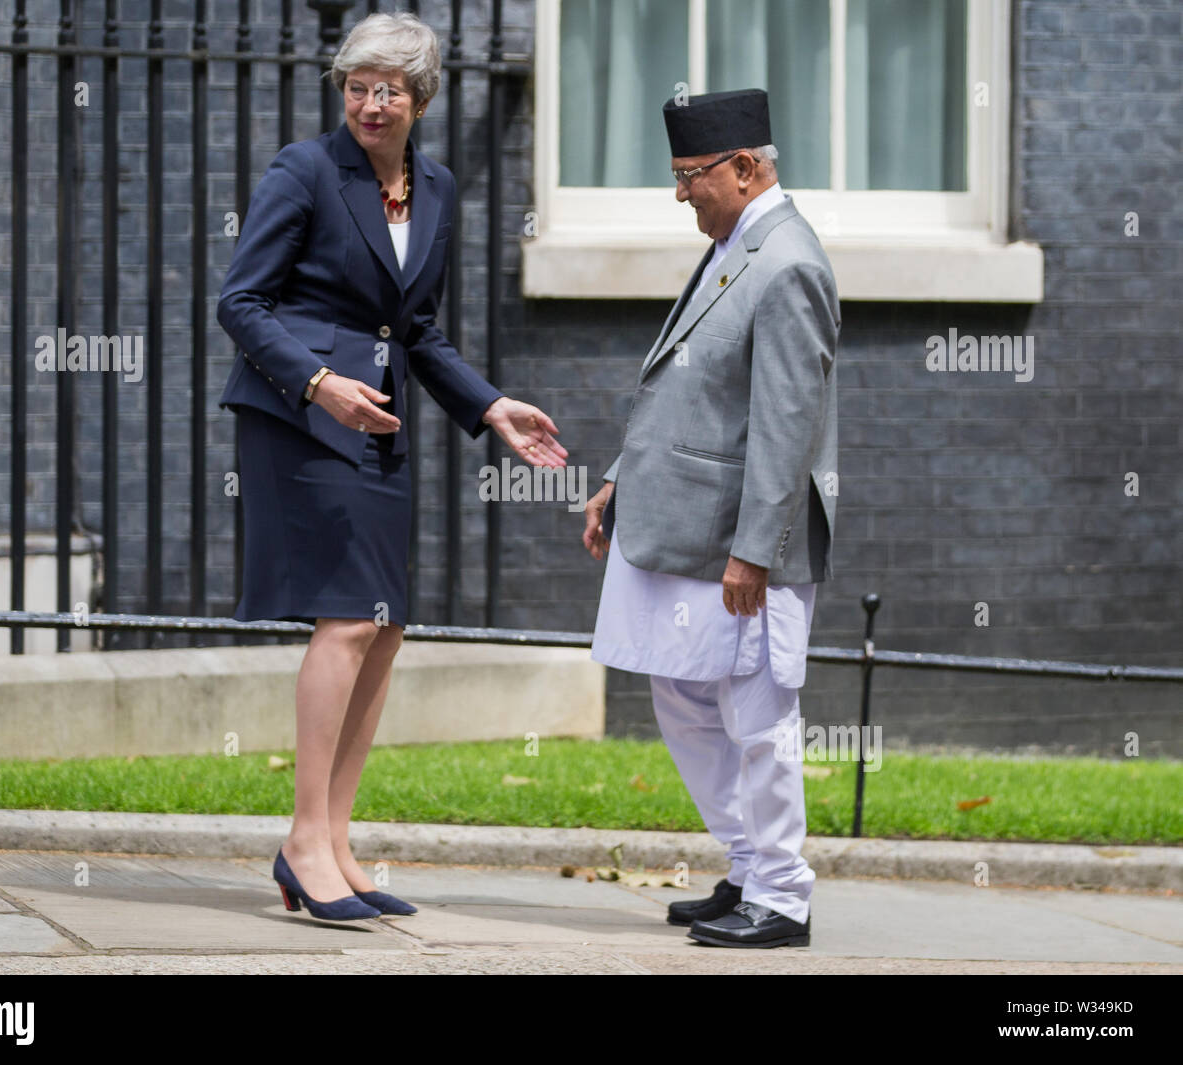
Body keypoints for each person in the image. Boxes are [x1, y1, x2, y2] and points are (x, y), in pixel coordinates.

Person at [216, 11, 566, 922]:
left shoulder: (435, 187)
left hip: (379, 421)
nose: (371, 104)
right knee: (344, 619)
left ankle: (334, 840)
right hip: (302, 419)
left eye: (391, 90)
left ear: (422, 99)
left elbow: (416, 330)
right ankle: (303, 839)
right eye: (358, 86)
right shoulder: (304, 170)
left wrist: (489, 405)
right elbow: (242, 302)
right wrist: (318, 381)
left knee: (384, 626)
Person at [582, 88, 840, 948]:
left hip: (741, 542)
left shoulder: (788, 261)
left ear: (746, 167)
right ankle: (749, 864)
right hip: (686, 525)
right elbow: (690, 386)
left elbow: (788, 424)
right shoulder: (736, 243)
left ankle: (783, 894)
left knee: (757, 717)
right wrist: (620, 479)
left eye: (692, 175)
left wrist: (755, 552)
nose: (681, 192)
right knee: (683, 696)